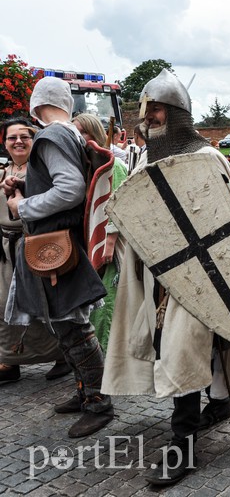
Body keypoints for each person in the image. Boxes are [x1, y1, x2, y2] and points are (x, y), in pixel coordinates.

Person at [101, 70, 230, 485]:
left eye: (159, 108)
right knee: (191, 343)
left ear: (178, 112)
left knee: (182, 350)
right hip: (161, 276)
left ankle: (182, 444)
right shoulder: (145, 160)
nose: (151, 116)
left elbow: (226, 225)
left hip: (204, 275)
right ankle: (219, 400)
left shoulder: (209, 159)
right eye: (147, 109)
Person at [3, 77, 112, 438]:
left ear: (36, 103)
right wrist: (26, 186)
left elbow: (70, 188)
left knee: (72, 327)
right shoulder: (69, 133)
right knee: (67, 325)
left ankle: (99, 403)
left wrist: (23, 205)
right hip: (60, 240)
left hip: (55, 243)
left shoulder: (51, 136)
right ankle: (86, 392)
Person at [0, 118, 67, 384]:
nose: (18, 141)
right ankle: (10, 360)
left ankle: (62, 356)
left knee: (41, 307)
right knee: (4, 306)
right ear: (4, 143)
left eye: (24, 137)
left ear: (34, 141)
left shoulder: (44, 173)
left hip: (36, 247)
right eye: (11, 137)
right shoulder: (2, 172)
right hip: (6, 251)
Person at [72, 113, 129, 352]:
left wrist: (108, 243)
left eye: (83, 132)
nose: (79, 137)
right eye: (75, 132)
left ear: (94, 133)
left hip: (108, 244)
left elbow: (118, 203)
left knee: (106, 300)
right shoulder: (81, 164)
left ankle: (107, 354)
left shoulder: (112, 165)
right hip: (86, 242)